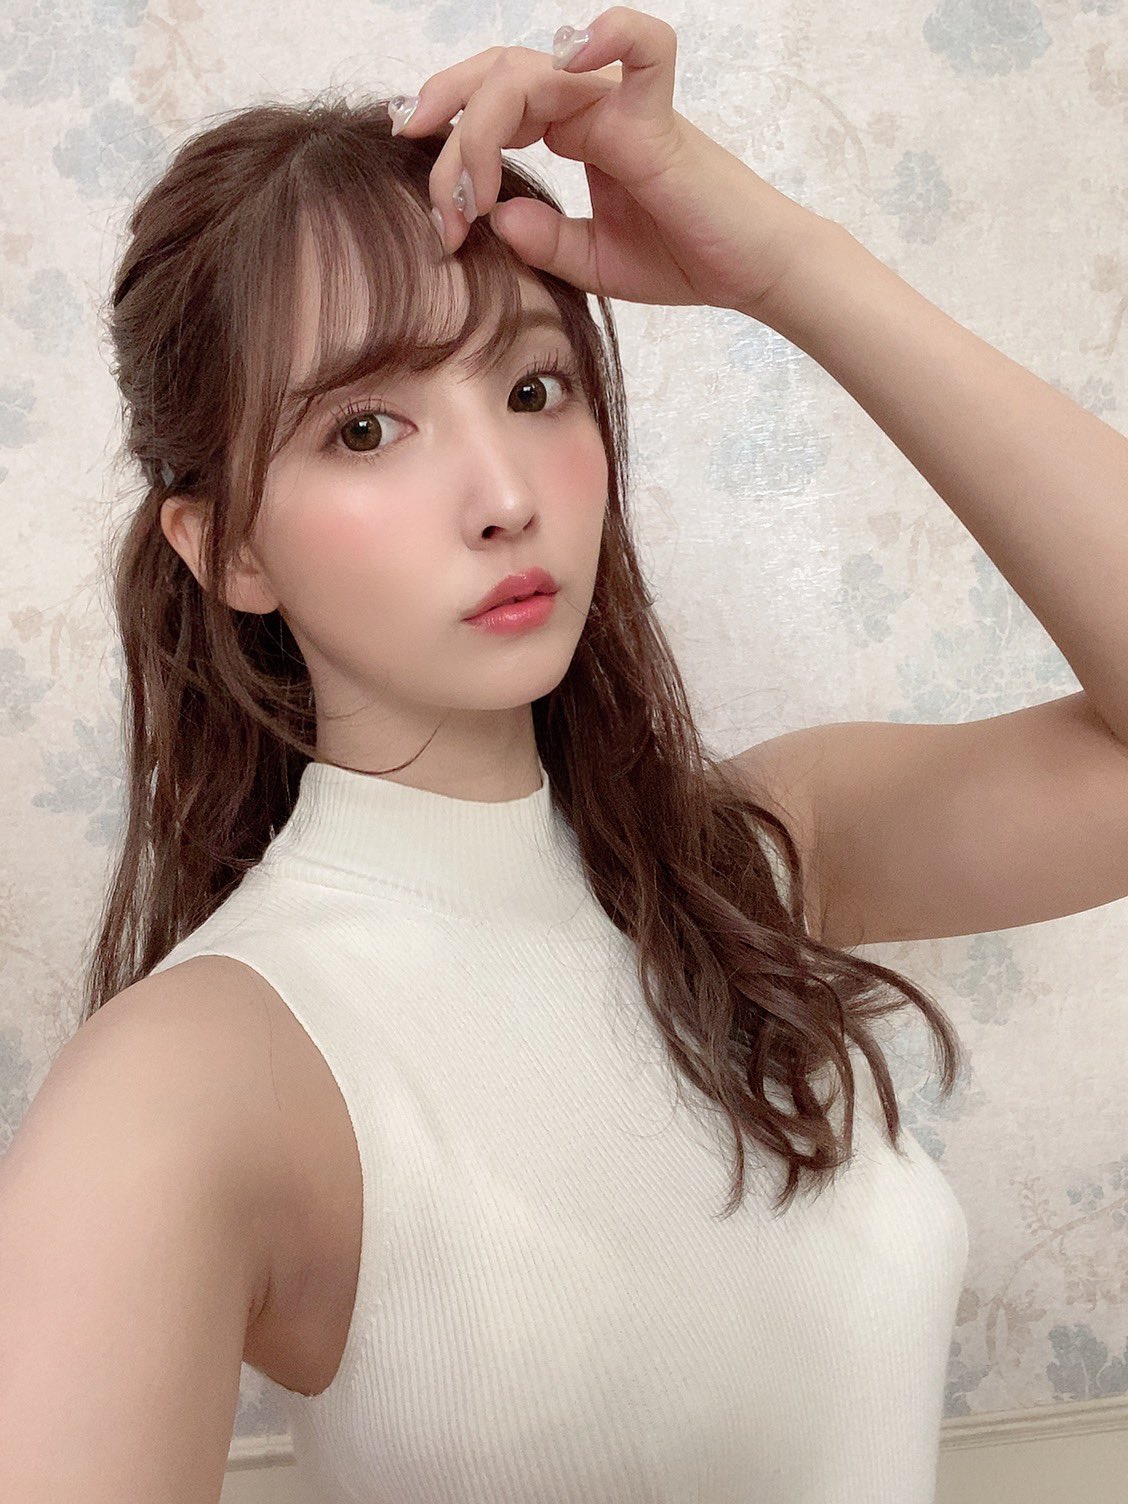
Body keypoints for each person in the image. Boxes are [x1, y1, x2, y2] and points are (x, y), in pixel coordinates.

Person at [2, 11, 978, 1503]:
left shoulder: (751, 868)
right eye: (366, 429)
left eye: (533, 389)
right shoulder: (186, 1087)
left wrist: (782, 267)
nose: (504, 495)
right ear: (226, 548)